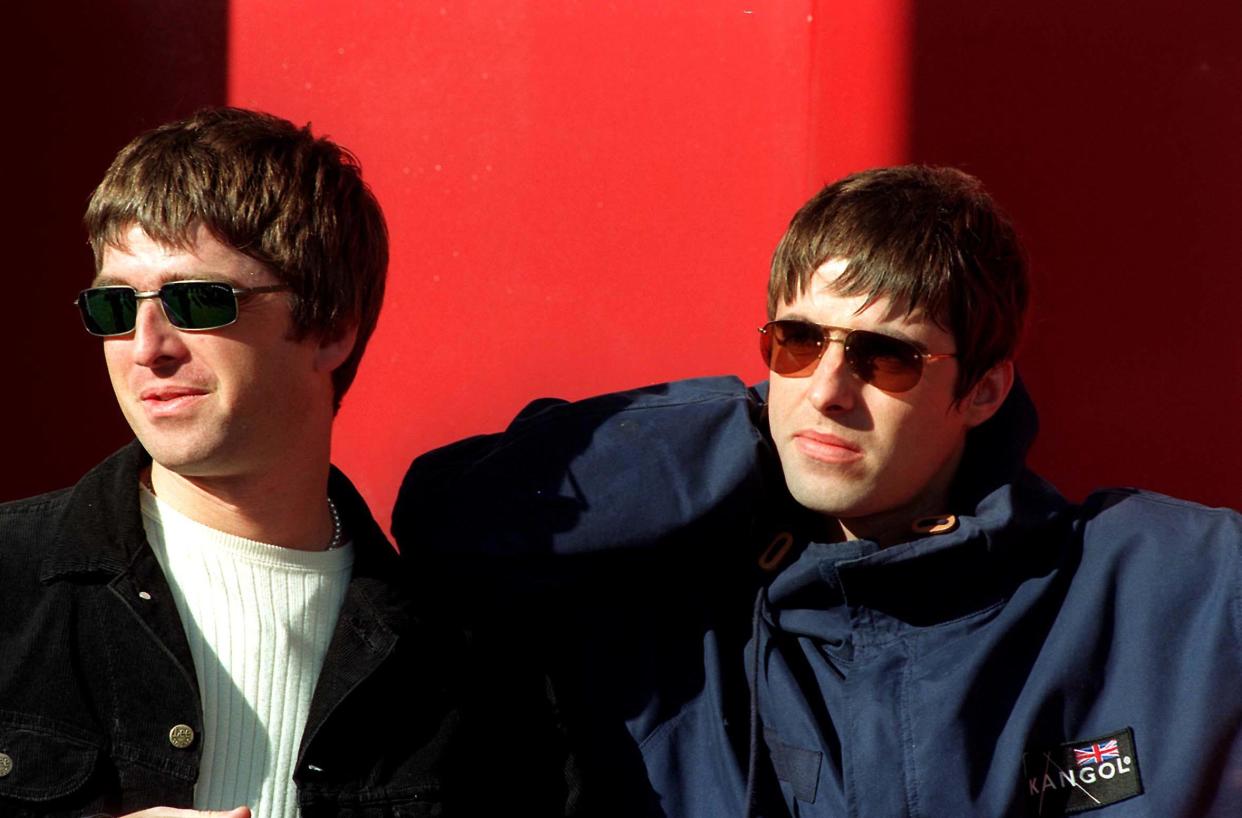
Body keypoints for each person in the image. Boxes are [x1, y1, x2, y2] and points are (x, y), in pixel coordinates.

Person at [396, 166, 1242, 817]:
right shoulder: (678, 605)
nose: (829, 389)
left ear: (983, 392)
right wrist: (751, 428)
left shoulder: (1167, 586)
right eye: (797, 342)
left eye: (885, 357)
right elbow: (443, 518)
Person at [0, 108, 568, 818]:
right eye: (116, 306)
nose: (147, 346)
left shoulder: (471, 668)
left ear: (329, 326)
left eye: (195, 300)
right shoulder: (12, 584)